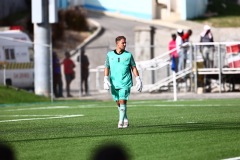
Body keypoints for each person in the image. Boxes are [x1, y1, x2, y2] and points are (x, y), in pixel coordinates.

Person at [103, 36, 142, 129]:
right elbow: (107, 67)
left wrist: (138, 78)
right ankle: (125, 119)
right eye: (123, 43)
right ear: (117, 43)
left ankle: (120, 122)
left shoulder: (128, 55)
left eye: (125, 43)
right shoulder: (109, 55)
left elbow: (133, 67)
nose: (125, 44)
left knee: (122, 100)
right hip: (114, 82)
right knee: (118, 102)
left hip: (125, 82)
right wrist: (105, 78)